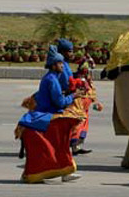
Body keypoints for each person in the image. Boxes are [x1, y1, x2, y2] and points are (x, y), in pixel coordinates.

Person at [16, 45, 83, 184]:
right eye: (60, 63)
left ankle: (66, 169)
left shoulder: (52, 77)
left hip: (48, 112)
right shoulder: (52, 80)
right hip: (47, 114)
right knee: (64, 129)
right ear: (53, 66)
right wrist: (74, 96)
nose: (62, 66)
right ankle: (64, 169)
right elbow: (59, 102)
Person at [69, 55, 102, 155]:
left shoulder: (87, 80)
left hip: (85, 107)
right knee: (78, 125)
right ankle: (74, 145)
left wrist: (95, 101)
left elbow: (91, 92)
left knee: (83, 126)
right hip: (79, 106)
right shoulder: (79, 81)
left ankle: (77, 146)